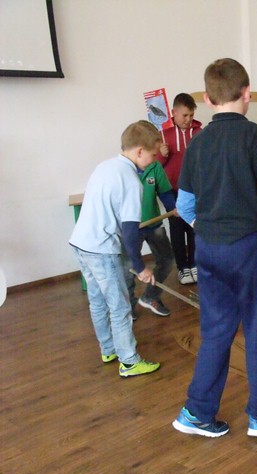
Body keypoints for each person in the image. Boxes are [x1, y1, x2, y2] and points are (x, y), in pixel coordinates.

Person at [172, 58, 257, 439]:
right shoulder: (254, 136)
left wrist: (207, 229)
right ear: (247, 94)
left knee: (216, 331)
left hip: (208, 248)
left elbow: (184, 207)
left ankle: (197, 412)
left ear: (207, 99)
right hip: (247, 248)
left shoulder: (197, 144)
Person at [69, 120, 161, 378]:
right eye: (153, 155)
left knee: (98, 300)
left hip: (80, 243)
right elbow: (130, 232)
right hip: (101, 249)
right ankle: (129, 361)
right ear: (140, 151)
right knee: (120, 306)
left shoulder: (105, 166)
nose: (154, 160)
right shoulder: (131, 181)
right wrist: (140, 268)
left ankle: (108, 349)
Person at [159, 93, 202, 285]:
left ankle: (194, 264)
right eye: (184, 115)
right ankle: (182, 268)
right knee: (177, 229)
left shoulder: (199, 133)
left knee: (193, 227)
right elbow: (155, 167)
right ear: (173, 113)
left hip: (194, 189)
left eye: (191, 115)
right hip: (172, 190)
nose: (188, 119)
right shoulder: (163, 135)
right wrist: (162, 155)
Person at [124, 160, 177, 319]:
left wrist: (173, 208)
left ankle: (150, 296)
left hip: (154, 224)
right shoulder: (124, 169)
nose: (155, 156)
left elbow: (165, 192)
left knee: (167, 260)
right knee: (129, 267)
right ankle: (128, 305)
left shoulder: (155, 167)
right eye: (152, 153)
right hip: (131, 228)